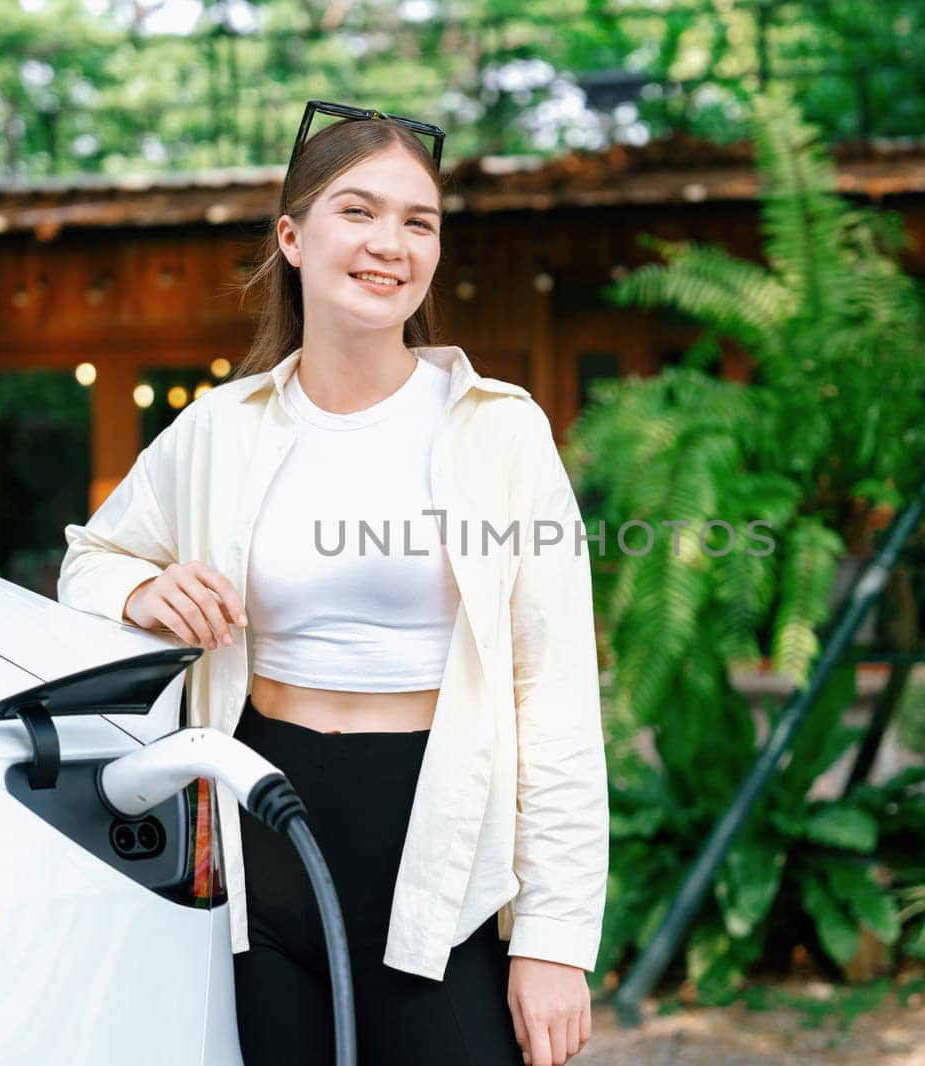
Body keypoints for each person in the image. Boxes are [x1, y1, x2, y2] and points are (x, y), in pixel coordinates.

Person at [56, 101, 608, 1066]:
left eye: (419, 221)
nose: (390, 243)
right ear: (292, 236)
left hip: (439, 848)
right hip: (260, 842)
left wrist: (556, 943)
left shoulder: (499, 431)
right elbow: (87, 562)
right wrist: (142, 595)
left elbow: (554, 696)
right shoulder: (219, 429)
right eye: (358, 211)